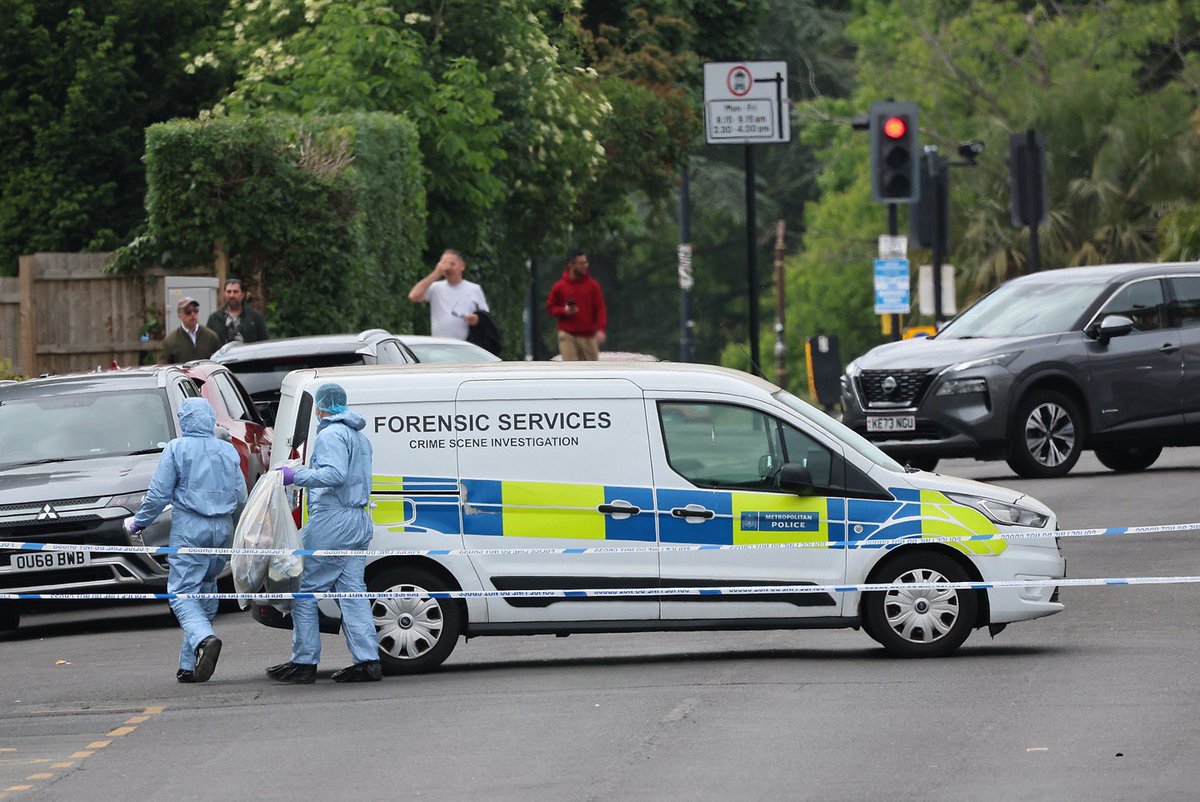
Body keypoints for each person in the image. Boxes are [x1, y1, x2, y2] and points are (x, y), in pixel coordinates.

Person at [267, 382, 381, 684]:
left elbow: (334, 475)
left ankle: (304, 661)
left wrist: (295, 476)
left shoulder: (330, 435)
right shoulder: (359, 436)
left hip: (334, 522)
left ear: (321, 406)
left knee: (301, 586)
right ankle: (368, 660)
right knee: (352, 592)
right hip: (358, 520)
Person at [128, 397, 245, 683]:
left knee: (181, 593)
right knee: (205, 588)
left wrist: (138, 523)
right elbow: (241, 496)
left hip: (191, 529)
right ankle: (189, 665)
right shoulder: (227, 451)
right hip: (223, 530)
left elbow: (158, 494)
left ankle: (204, 639)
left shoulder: (177, 449)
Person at [407, 249, 490, 341]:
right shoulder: (436, 287)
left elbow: (486, 317)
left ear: (462, 266)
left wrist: (476, 319)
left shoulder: (474, 289)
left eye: (452, 264)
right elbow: (413, 296)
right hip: (440, 345)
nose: (448, 268)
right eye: (444, 264)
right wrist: (435, 274)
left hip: (466, 346)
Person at [546, 249, 607, 361]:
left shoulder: (593, 285)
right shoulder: (559, 286)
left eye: (586, 263)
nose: (585, 266)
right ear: (571, 264)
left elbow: (600, 308)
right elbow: (550, 307)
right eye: (581, 263)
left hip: (588, 336)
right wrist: (564, 310)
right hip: (568, 335)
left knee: (592, 371)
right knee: (571, 369)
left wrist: (601, 329)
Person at [206, 278, 270, 345]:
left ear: (242, 294)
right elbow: (208, 345)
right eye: (229, 292)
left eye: (235, 292)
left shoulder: (255, 318)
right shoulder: (214, 318)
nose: (232, 295)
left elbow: (264, 344)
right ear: (224, 294)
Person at [159, 296, 222, 364]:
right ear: (179, 315)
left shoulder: (211, 337)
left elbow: (220, 362)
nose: (192, 314)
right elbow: (163, 366)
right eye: (188, 311)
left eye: (195, 310)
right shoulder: (170, 341)